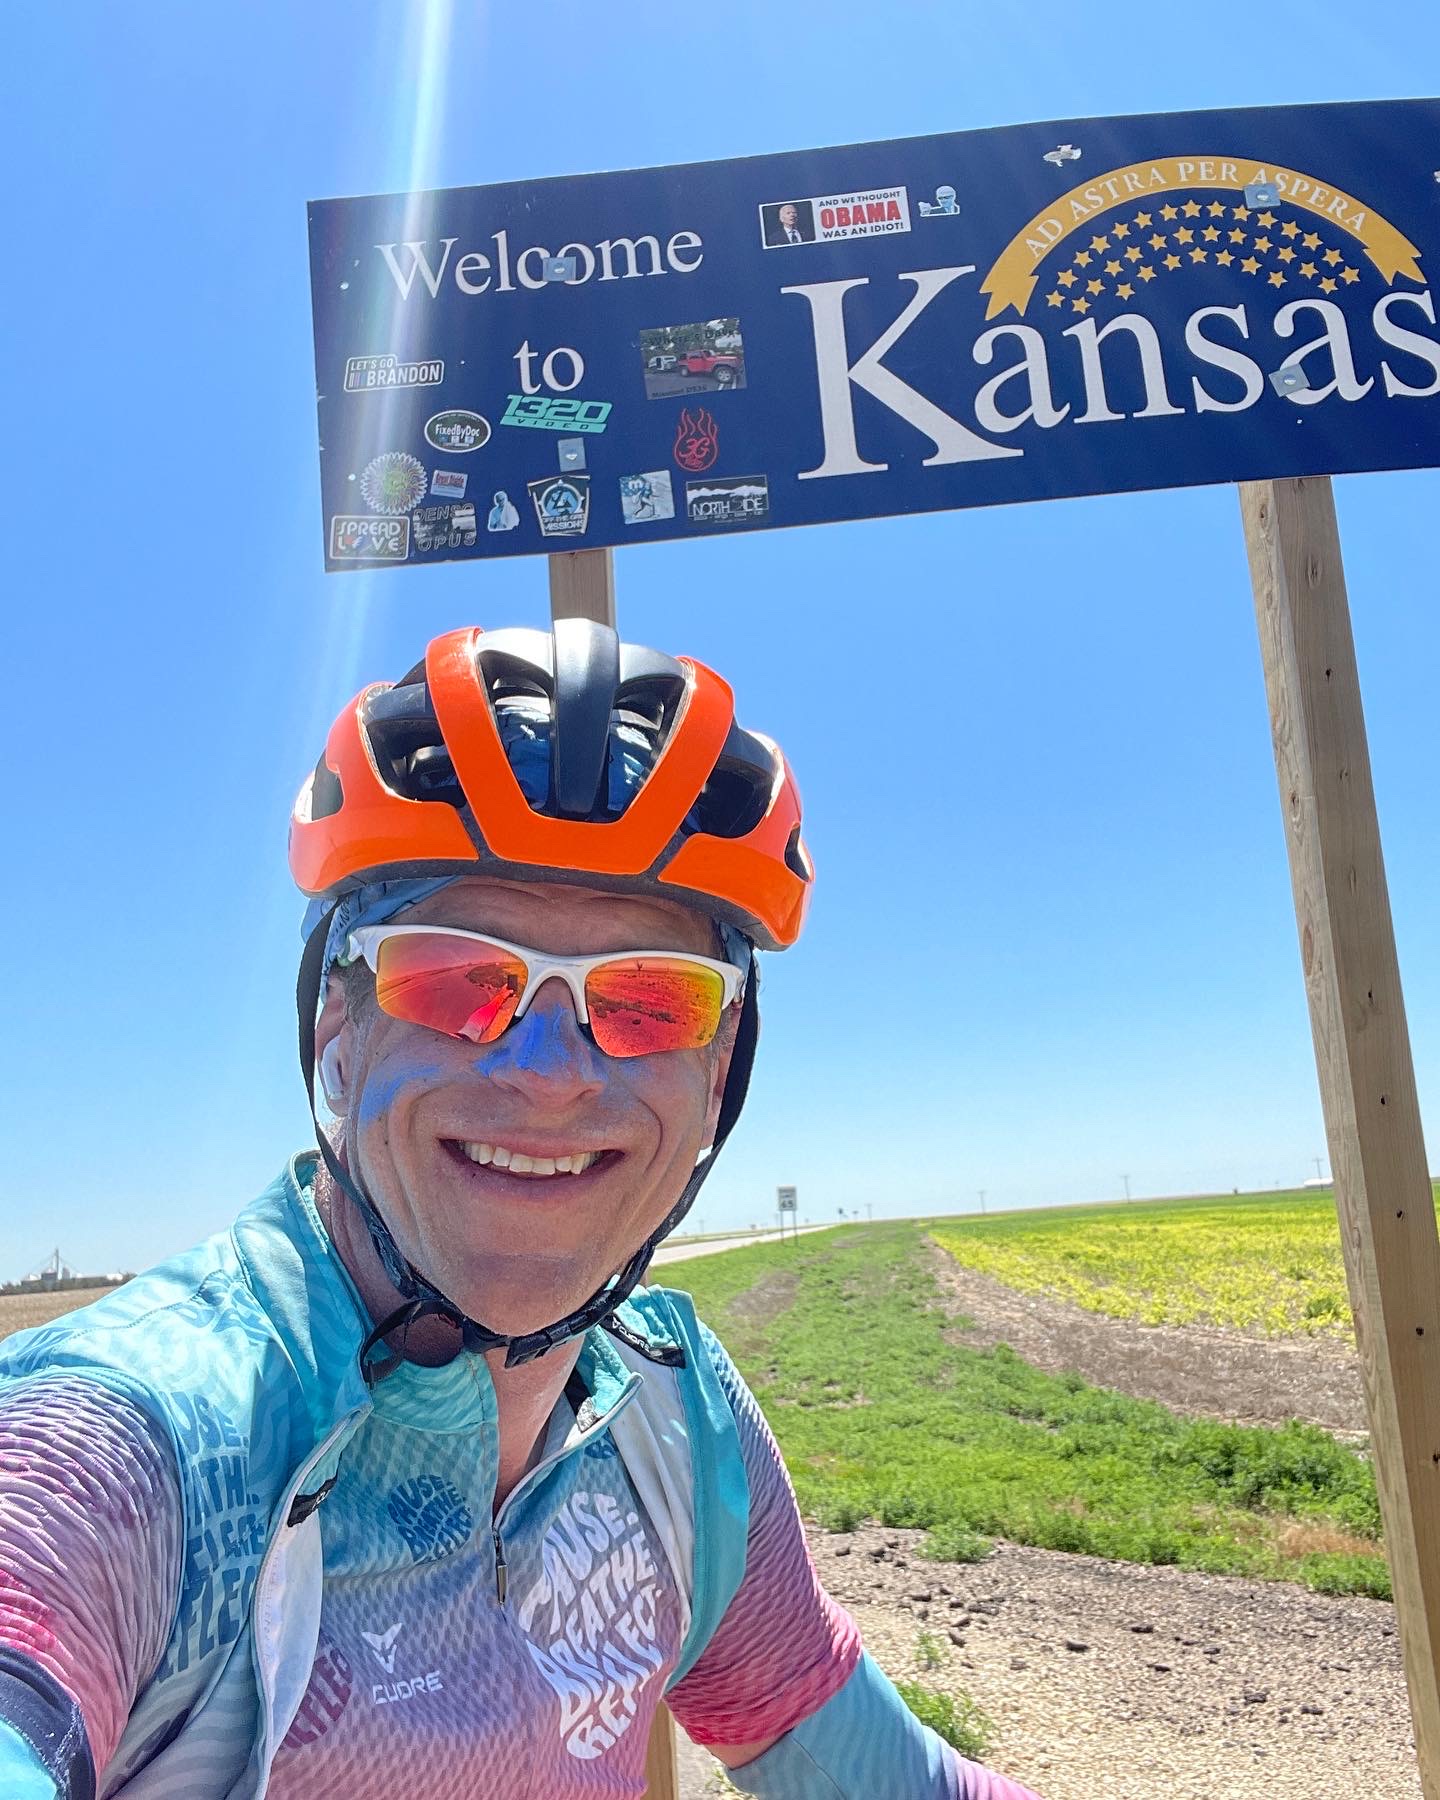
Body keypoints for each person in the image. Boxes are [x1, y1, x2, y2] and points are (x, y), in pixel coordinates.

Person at [0, 621, 1048, 1799]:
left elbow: (849, 1748)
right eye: (458, 980)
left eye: (651, 1001)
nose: (552, 1071)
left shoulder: (674, 1421)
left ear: (717, 1075)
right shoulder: (136, 1444)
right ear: (337, 1032)